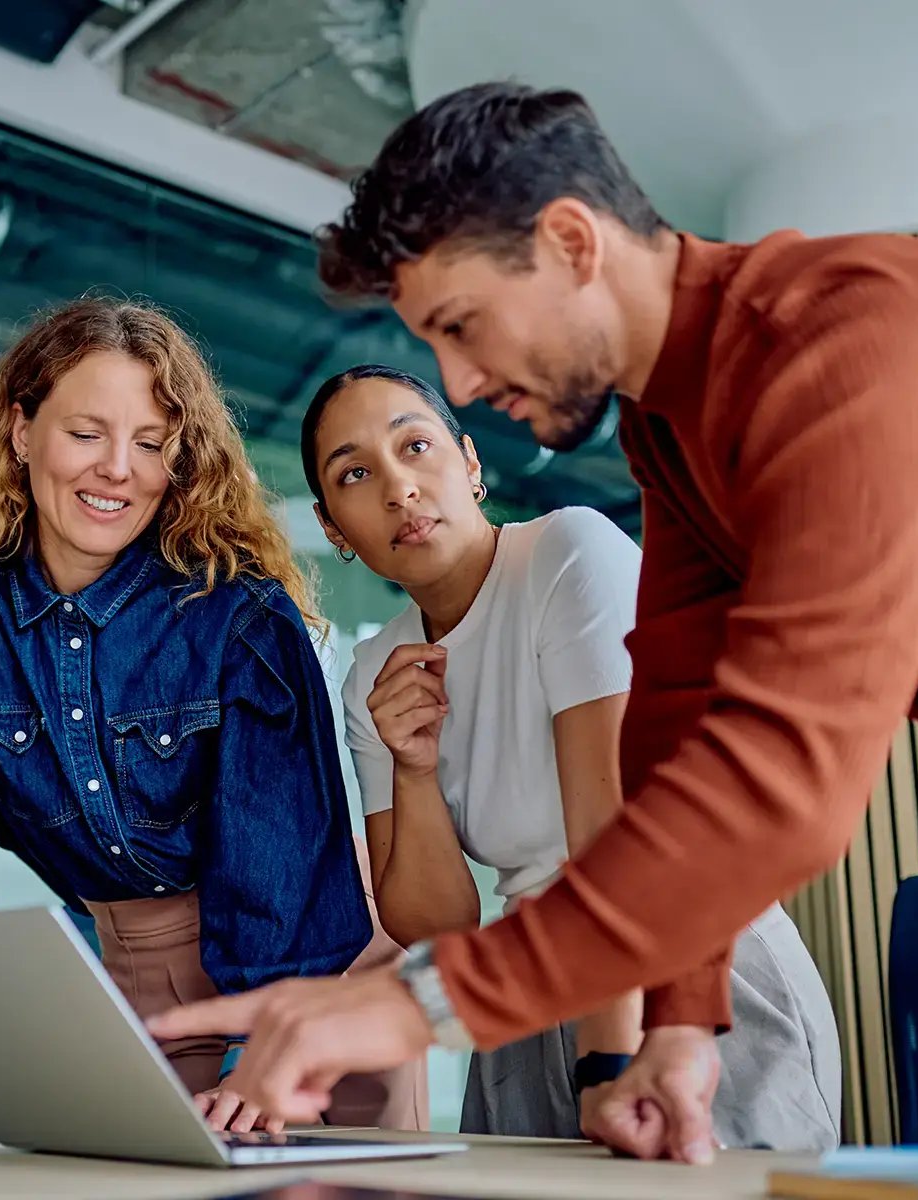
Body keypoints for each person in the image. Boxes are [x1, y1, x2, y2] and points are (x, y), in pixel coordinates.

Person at [149, 81, 918, 1163]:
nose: (461, 380)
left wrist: (413, 1007)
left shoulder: (836, 338)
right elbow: (667, 738)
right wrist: (684, 1019)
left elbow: (788, 770)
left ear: (569, 241)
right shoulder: (669, 429)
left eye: (461, 328)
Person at [0, 298, 424, 1143]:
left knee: (330, 1182)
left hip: (311, 967)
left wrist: (263, 1047)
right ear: (19, 431)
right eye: (85, 434)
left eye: (150, 444)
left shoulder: (239, 618)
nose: (118, 469)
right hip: (133, 967)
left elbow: (279, 855)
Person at [297, 362, 838, 1149]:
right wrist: (412, 768)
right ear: (334, 526)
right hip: (529, 1000)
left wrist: (607, 1063)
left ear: (471, 463)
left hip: (685, 977)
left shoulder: (568, 555)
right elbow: (438, 925)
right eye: (355, 473)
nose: (397, 489)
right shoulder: (374, 674)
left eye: (415, 447)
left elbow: (611, 844)